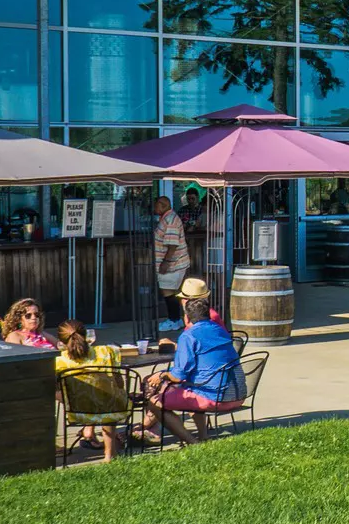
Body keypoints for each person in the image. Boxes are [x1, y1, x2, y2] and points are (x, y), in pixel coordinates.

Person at [144, 296, 242, 441]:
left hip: (214, 397)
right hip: (238, 394)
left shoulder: (188, 336)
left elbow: (178, 376)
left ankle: (192, 442)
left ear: (187, 319)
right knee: (188, 389)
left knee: (155, 402)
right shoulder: (220, 330)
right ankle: (203, 437)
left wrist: (161, 375)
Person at [53, 319, 129, 462]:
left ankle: (89, 431)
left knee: (100, 399)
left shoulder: (59, 361)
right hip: (113, 410)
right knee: (109, 397)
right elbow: (119, 383)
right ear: (85, 334)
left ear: (61, 340)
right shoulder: (107, 352)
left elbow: (57, 389)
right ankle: (109, 455)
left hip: (78, 412)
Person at [151, 195, 190, 326]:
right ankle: (175, 319)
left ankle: (174, 320)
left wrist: (165, 263)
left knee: (168, 291)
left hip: (173, 264)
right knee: (168, 291)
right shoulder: (167, 218)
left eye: (156, 204)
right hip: (171, 263)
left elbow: (172, 244)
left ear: (164, 205)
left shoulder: (171, 220)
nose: (154, 207)